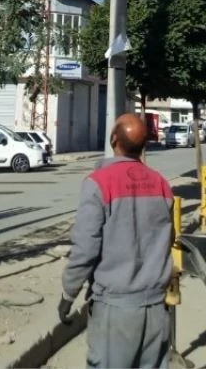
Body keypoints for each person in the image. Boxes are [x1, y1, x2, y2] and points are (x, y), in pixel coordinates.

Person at [58, 113, 174, 369]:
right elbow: (169, 238)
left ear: (113, 140)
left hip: (116, 309)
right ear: (144, 145)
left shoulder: (98, 183)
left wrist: (68, 293)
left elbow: (86, 248)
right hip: (157, 308)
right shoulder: (161, 183)